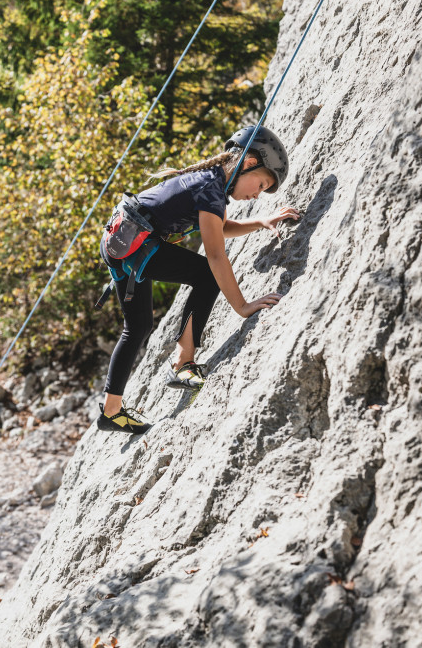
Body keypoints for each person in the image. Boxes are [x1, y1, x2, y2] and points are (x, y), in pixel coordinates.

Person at [98, 125, 299, 433]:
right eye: (260, 184)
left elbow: (217, 227)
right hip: (134, 244)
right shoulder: (211, 189)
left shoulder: (211, 184)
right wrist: (243, 306)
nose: (256, 194)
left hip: (124, 241)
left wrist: (258, 222)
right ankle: (182, 363)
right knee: (206, 273)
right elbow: (216, 255)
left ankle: (111, 412)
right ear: (247, 162)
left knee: (137, 326)